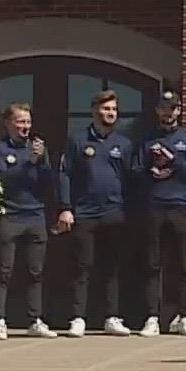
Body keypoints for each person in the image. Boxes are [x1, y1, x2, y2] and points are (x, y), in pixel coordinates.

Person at [59, 90, 134, 338]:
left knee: (111, 267)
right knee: (83, 266)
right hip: (85, 213)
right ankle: (78, 318)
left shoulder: (124, 144)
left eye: (113, 109)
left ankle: (112, 317)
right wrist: (66, 207)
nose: (110, 113)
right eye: (105, 109)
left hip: (114, 213)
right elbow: (65, 174)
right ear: (94, 111)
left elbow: (130, 179)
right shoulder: (78, 139)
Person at [0, 102, 58, 340]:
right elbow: (3, 179)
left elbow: (47, 181)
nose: (25, 127)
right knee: (4, 270)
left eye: (27, 122)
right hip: (9, 215)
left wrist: (40, 161)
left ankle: (34, 319)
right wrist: (30, 163)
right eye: (19, 122)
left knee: (35, 271)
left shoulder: (38, 150)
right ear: (8, 124)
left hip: (35, 215)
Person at [137, 92, 186, 337]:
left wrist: (174, 161)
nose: (169, 113)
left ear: (179, 111)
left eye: (174, 108)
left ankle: (183, 315)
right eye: (165, 108)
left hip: (180, 205)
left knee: (182, 265)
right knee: (152, 264)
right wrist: (152, 171)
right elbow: (135, 170)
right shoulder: (146, 138)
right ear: (158, 110)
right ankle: (152, 317)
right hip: (154, 206)